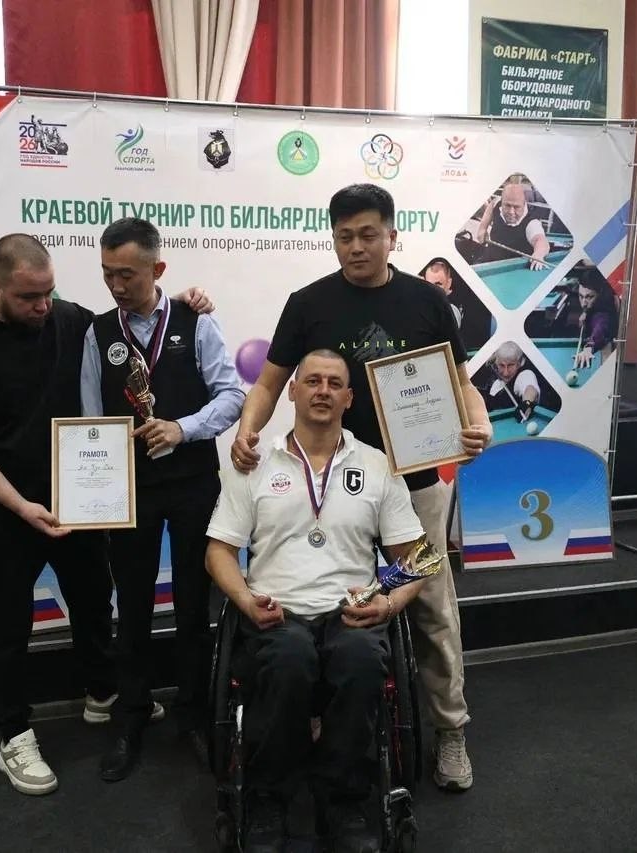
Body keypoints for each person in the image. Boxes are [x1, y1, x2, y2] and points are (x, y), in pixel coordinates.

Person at [232, 184, 492, 793]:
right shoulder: (308, 304)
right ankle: (321, 715)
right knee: (325, 597)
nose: (356, 247)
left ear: (391, 236)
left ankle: (450, 729)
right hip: (331, 489)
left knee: (429, 603)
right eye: (344, 236)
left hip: (415, 484)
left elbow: (461, 383)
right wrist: (248, 429)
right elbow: (269, 385)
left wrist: (479, 421)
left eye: (368, 235)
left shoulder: (428, 301)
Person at [0, 233, 212, 797]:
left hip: (80, 499)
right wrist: (20, 505)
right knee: (6, 623)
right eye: (28, 297)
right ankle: (13, 733)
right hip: (10, 508)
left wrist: (185, 301)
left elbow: (137, 319)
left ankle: (103, 691)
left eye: (49, 292)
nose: (42, 306)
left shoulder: (70, 320)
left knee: (93, 600)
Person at [208, 349, 429, 853]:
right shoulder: (252, 463)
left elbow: (419, 558)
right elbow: (218, 551)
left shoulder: (377, 466)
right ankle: (268, 798)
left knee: (360, 660)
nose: (322, 390)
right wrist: (243, 599)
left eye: (334, 383)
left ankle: (344, 800)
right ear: (292, 391)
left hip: (351, 612)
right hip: (276, 612)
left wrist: (389, 604)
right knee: (290, 659)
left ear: (349, 398)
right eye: (312, 381)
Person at [79, 218, 245, 781]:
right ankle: (131, 715)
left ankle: (193, 714)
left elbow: (232, 396)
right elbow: (89, 417)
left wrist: (182, 428)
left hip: (194, 482)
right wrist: (94, 477)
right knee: (131, 605)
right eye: (107, 273)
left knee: (195, 604)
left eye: (126, 274)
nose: (116, 285)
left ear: (158, 269)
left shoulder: (196, 321)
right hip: (130, 490)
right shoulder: (98, 332)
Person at [475, 174, 551, 269]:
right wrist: (483, 228)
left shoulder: (532, 222)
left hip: (512, 268)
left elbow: (540, 240)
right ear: (502, 202)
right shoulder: (498, 203)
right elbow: (492, 204)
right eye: (507, 205)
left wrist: (538, 254)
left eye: (516, 207)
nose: (511, 212)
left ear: (524, 204)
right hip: (489, 260)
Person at [572, 268, 619, 368]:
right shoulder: (592, 305)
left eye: (589, 297)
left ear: (600, 294)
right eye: (581, 296)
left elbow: (601, 326)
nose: (583, 303)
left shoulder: (603, 312)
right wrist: (585, 313)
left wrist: (589, 347)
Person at [484, 341, 540, 422]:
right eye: (501, 365)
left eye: (511, 365)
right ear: (496, 364)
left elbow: (530, 389)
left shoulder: (524, 375)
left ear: (520, 363)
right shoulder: (496, 383)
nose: (506, 373)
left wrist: (527, 403)